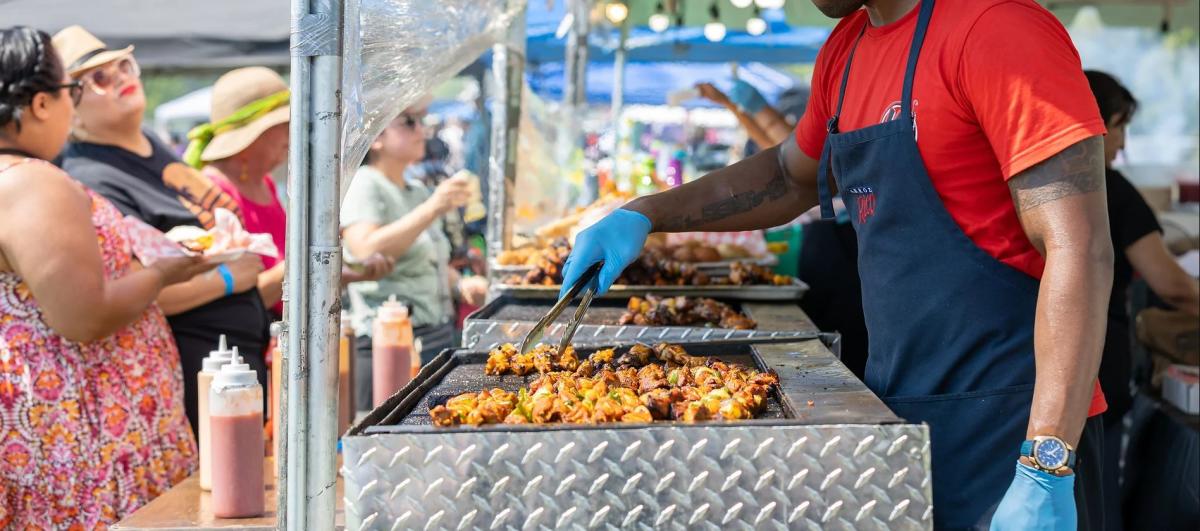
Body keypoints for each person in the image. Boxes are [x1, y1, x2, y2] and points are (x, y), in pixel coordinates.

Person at [560, 1, 1113, 529]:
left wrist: (1046, 462)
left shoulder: (997, 28)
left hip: (1016, 426)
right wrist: (644, 214)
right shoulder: (845, 52)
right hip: (898, 408)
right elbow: (790, 176)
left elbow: (1081, 248)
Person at [0, 26, 208, 527]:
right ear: (43, 104)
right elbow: (84, 316)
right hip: (87, 428)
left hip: (95, 426)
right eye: (73, 92)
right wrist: (162, 273)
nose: (73, 109)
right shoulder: (31, 183)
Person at [54, 25, 269, 435]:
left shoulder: (152, 145)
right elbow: (129, 290)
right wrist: (227, 278)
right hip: (191, 364)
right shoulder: (90, 176)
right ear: (72, 107)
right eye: (99, 77)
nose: (119, 78)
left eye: (123, 65)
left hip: (234, 357)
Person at [1084, 69, 1200, 531]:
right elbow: (1170, 285)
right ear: (1095, 123)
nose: (1123, 143)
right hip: (1097, 378)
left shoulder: (1028, 183)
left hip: (1029, 375)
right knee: (1098, 505)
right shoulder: (1110, 189)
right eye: (1119, 125)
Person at [186, 66, 393, 318]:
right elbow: (240, 299)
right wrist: (308, 264)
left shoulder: (265, 184)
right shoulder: (211, 192)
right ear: (252, 135)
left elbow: (285, 275)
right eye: (283, 125)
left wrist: (342, 272)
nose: (291, 135)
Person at [699, 79, 870, 377]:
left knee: (847, 340)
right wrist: (734, 106)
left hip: (843, 248)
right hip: (827, 243)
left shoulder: (837, 141)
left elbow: (790, 155)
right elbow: (778, 150)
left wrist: (755, 108)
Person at [341, 99, 489, 411]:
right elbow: (365, 248)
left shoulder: (416, 190)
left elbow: (430, 261)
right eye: (408, 122)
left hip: (433, 336)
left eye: (421, 121)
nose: (421, 131)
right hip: (388, 347)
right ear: (376, 137)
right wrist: (433, 208)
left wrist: (460, 284)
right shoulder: (366, 184)